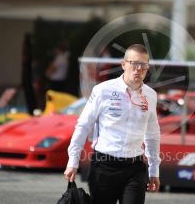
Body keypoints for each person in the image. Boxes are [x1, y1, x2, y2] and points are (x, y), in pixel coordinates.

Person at [64, 44, 161, 204]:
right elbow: (83, 125)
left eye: (143, 65)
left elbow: (152, 134)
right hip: (104, 166)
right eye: (134, 63)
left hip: (134, 167)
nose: (139, 69)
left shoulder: (151, 95)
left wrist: (154, 170)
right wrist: (73, 161)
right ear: (123, 64)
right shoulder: (103, 90)